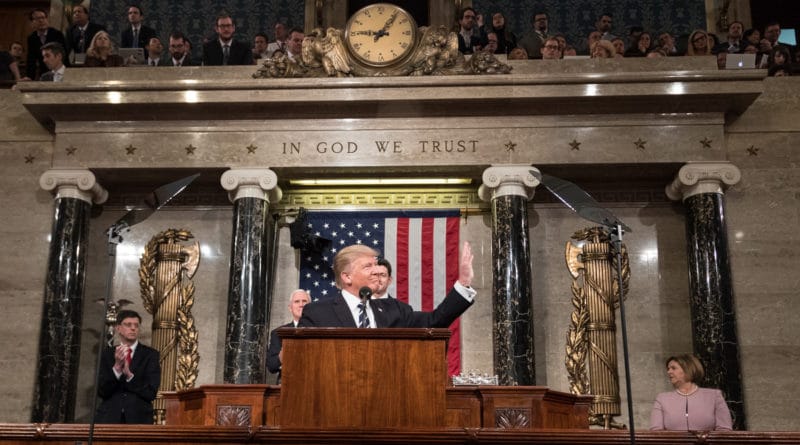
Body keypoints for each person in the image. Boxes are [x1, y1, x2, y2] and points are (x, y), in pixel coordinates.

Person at [299, 242, 474, 328]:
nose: (376, 271)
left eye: (376, 266)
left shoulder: (395, 310)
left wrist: (463, 283)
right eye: (368, 267)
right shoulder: (317, 313)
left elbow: (435, 321)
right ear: (347, 277)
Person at [95, 310, 161, 424]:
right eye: (128, 325)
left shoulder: (151, 355)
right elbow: (101, 391)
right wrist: (116, 368)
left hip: (139, 419)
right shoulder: (107, 354)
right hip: (109, 418)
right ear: (118, 328)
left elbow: (151, 392)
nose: (133, 328)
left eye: (136, 325)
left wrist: (130, 375)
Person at [649, 354, 733, 431]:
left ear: (687, 369)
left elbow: (724, 430)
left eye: (673, 368)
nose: (669, 372)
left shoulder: (714, 396)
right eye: (668, 369)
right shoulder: (662, 399)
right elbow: (656, 432)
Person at [266, 289, 311, 383]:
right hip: (287, 382)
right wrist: (281, 357)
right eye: (297, 301)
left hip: (313, 381)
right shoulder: (278, 333)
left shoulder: (320, 330)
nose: (301, 304)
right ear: (290, 308)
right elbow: (271, 366)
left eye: (304, 301)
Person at [26, 8, 66, 80]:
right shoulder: (32, 38)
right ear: (32, 22)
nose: (41, 20)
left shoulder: (57, 34)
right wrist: (29, 77)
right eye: (37, 18)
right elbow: (31, 60)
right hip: (44, 73)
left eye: (43, 18)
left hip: (61, 72)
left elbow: (63, 54)